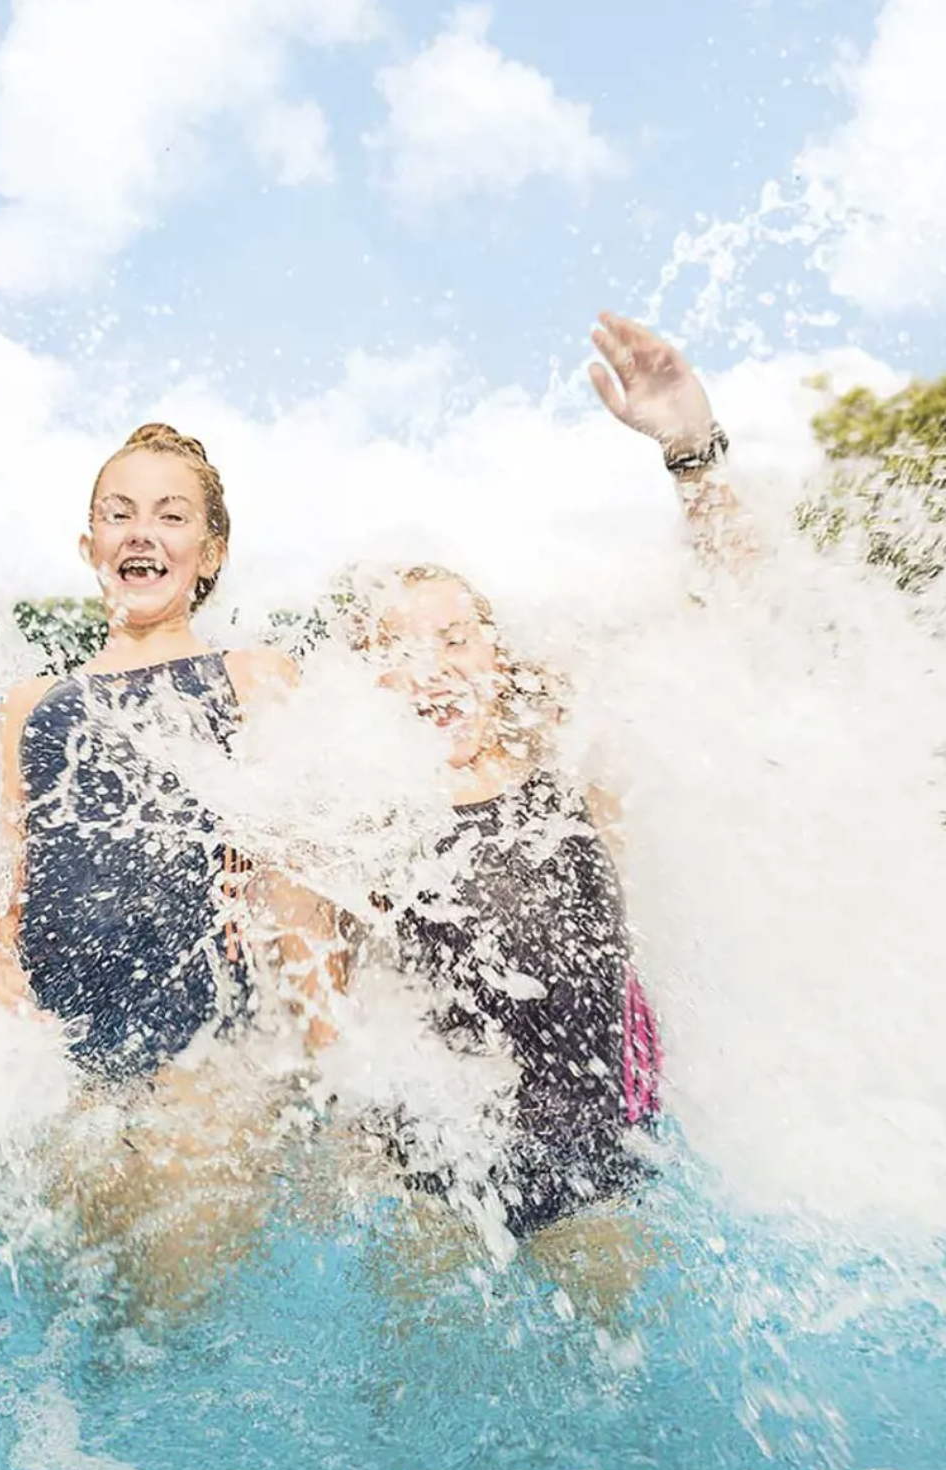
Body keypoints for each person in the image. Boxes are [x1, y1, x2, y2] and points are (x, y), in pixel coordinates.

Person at [337, 312, 738, 1314]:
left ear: (496, 654)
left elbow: (727, 615)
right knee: (419, 1352)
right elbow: (331, 1027)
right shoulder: (357, 818)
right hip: (431, 1175)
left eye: (457, 637)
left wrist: (690, 449)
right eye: (400, 646)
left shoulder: (575, 766)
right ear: (364, 679)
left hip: (594, 1162)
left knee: (611, 1341)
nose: (435, 664)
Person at [0, 422, 333, 1318]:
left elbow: (297, 887)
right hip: (66, 1057)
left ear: (210, 553)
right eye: (119, 514)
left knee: (173, 1313)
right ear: (88, 544)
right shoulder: (29, 703)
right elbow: (7, 882)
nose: (142, 533)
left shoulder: (255, 677)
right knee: (80, 1328)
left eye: (171, 517)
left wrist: (334, 1061)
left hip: (207, 1048)